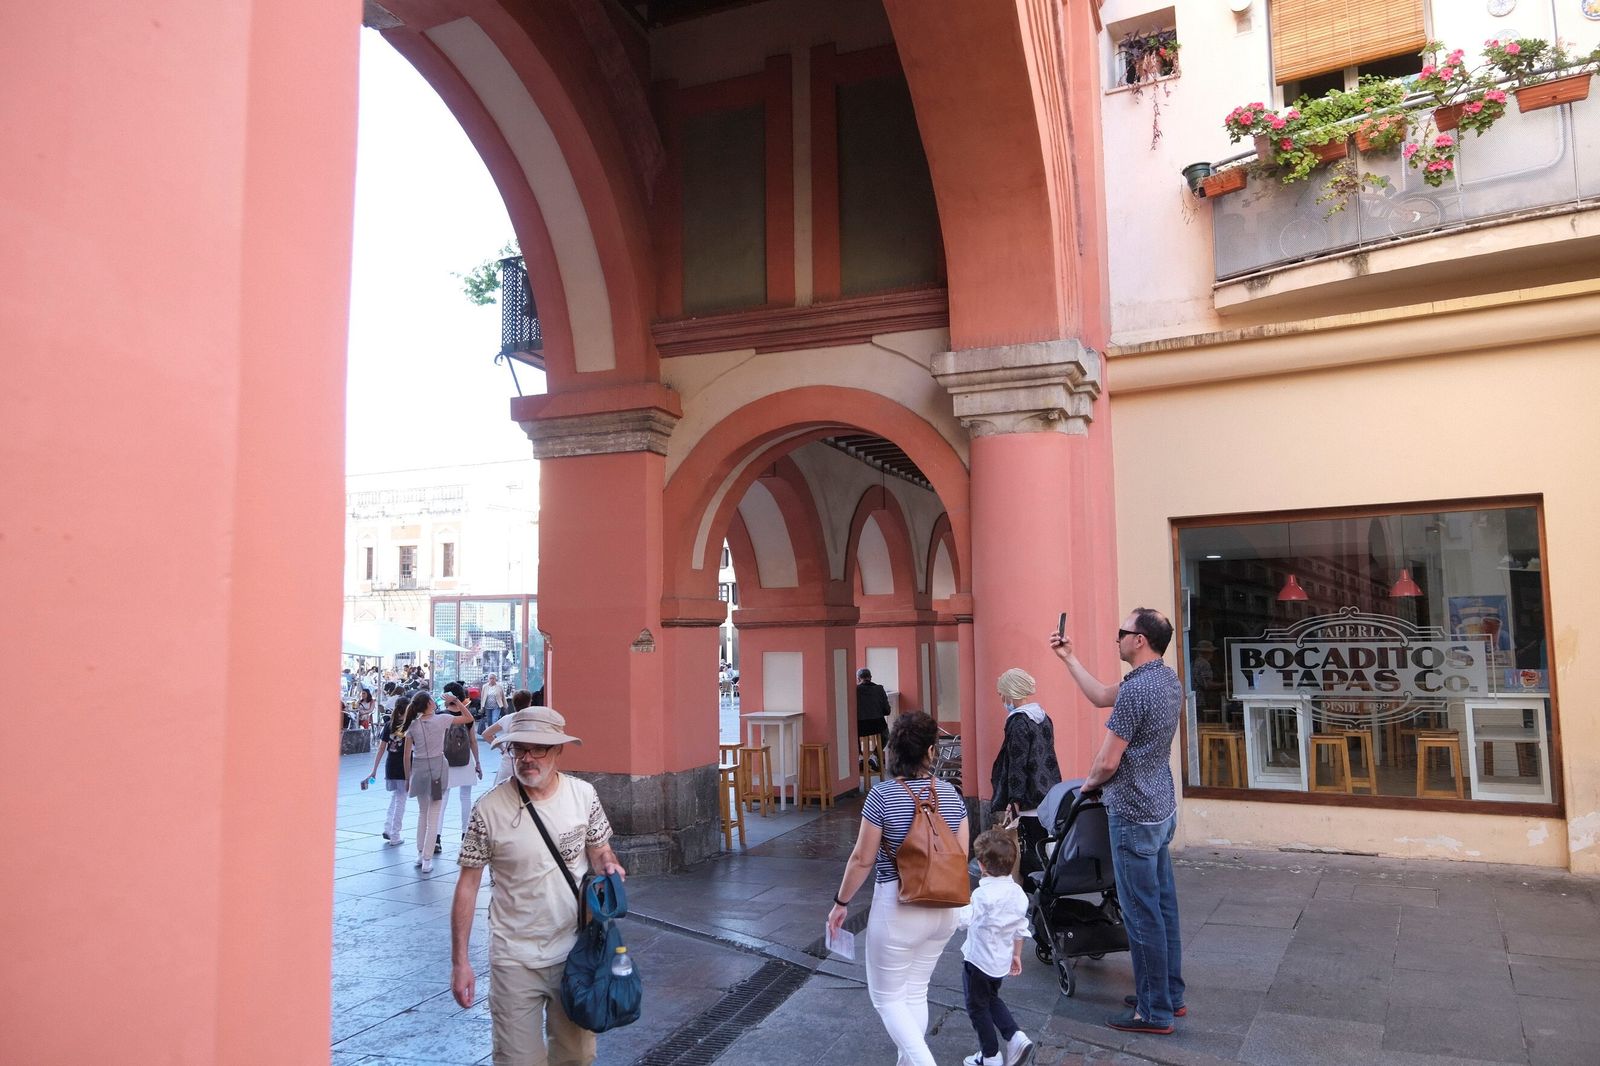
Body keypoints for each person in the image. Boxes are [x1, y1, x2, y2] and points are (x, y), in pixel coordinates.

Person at [450, 707, 626, 1065]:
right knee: (517, 1060)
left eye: (538, 749)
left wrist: (608, 863)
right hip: (513, 958)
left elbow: (599, 849)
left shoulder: (584, 796)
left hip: (575, 955)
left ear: (558, 751)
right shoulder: (488, 810)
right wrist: (460, 962)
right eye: (519, 749)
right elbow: (467, 886)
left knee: (576, 1057)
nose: (527, 758)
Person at [1049, 608, 1186, 1035]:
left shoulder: (1137, 691)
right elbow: (1099, 695)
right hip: (1161, 808)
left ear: (1140, 639)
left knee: (1140, 914)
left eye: (1121, 632)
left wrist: (1087, 785)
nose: (1117, 638)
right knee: (1163, 907)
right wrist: (1069, 658)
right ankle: (1169, 995)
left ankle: (1153, 1012)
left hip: (1132, 814)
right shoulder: (1165, 680)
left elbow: (1108, 760)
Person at [827, 711, 968, 1066]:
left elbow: (862, 859)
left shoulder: (882, 796)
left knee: (887, 999)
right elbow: (961, 856)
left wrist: (841, 902)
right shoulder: (951, 794)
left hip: (898, 909)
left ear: (894, 752)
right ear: (931, 752)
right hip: (945, 910)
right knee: (915, 993)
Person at [955, 829, 1034, 1066]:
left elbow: (962, 920)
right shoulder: (1019, 894)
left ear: (981, 865)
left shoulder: (982, 895)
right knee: (990, 999)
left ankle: (990, 1056)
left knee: (977, 1008)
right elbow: (1021, 927)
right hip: (1000, 962)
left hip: (978, 962)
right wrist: (1017, 955)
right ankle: (1015, 1036)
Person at [988, 668, 1062, 875]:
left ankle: (1034, 894)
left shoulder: (1018, 722)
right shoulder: (1043, 717)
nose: (1001, 698)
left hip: (1028, 798)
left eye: (1001, 693)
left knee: (1030, 850)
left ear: (1010, 692)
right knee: (1044, 845)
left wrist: (1014, 799)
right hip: (1047, 792)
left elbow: (1017, 763)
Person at [402, 690, 474, 875]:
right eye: (432, 700)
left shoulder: (412, 725)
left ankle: (419, 854)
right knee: (434, 814)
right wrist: (456, 701)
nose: (435, 702)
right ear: (428, 704)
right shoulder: (442, 720)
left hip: (418, 769)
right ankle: (427, 859)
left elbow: (406, 755)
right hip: (436, 770)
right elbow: (468, 718)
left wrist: (407, 777)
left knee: (422, 813)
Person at [362, 694, 419, 846]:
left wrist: (374, 770)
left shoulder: (389, 725)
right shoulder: (411, 725)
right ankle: (395, 834)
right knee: (401, 799)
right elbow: (411, 751)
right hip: (405, 766)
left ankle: (388, 828)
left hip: (390, 765)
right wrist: (409, 776)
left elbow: (381, 748)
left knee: (395, 797)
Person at [440, 682, 484, 855]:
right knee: (465, 797)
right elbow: (473, 741)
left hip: (445, 761)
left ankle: (436, 838)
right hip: (466, 760)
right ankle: (465, 835)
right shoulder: (467, 717)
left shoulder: (440, 715)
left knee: (442, 799)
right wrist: (478, 762)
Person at [856, 668, 891, 770]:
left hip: (860, 727)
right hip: (877, 725)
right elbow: (887, 711)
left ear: (858, 679)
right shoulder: (879, 689)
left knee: (852, 737)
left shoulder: (855, 690)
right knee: (886, 735)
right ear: (870, 678)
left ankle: (860, 757)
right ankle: (874, 755)